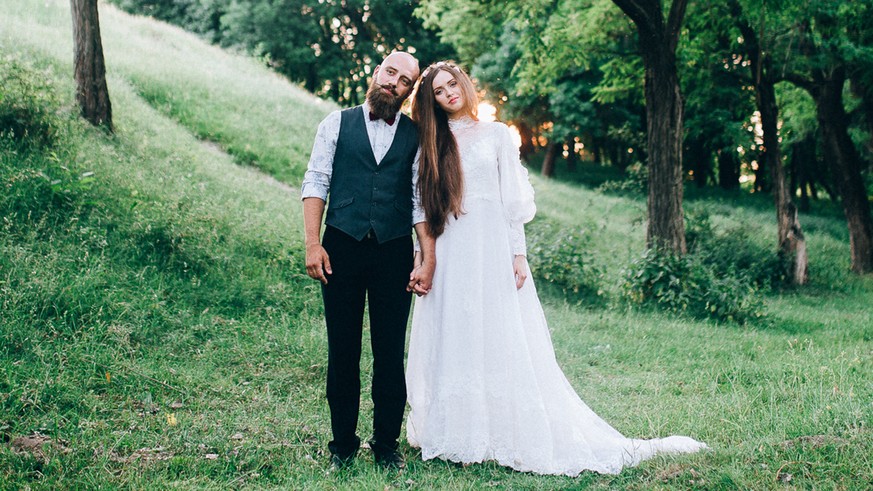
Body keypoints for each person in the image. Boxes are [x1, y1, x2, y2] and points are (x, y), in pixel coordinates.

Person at [404, 61, 707, 476]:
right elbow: (420, 205)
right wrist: (425, 256)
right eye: (438, 91)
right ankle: (456, 429)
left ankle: (501, 427)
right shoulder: (430, 143)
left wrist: (518, 254)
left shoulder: (495, 135)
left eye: (452, 84)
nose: (448, 94)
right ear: (432, 100)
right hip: (451, 248)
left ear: (464, 85)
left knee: (496, 332)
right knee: (453, 330)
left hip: (490, 247)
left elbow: (513, 204)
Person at [301, 51, 435, 470]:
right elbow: (316, 180)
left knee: (390, 353)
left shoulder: (415, 135)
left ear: (408, 92)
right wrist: (312, 243)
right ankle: (342, 444)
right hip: (341, 246)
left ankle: (386, 445)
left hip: (394, 252)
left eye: (403, 80)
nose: (393, 82)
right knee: (342, 350)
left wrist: (427, 258)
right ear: (377, 72)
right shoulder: (336, 123)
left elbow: (418, 202)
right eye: (389, 72)